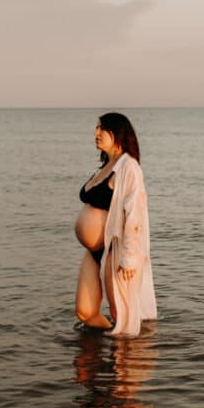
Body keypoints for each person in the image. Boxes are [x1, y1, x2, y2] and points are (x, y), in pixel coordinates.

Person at [74, 112, 157, 337]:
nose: (96, 133)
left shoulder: (129, 167)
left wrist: (129, 259)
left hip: (115, 249)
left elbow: (135, 214)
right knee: (85, 312)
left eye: (102, 128)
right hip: (94, 251)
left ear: (117, 133)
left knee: (120, 314)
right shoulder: (106, 166)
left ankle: (125, 364)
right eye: (96, 128)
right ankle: (103, 356)